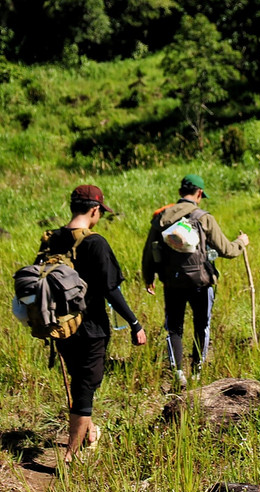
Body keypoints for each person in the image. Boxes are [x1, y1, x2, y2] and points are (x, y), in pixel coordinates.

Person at [41, 184, 146, 464]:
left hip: (60, 326)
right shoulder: (95, 242)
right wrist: (135, 324)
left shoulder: (51, 238)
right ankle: (70, 455)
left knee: (80, 382)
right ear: (95, 209)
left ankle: (89, 432)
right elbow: (111, 289)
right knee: (87, 385)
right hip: (90, 327)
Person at [141, 174, 249, 388]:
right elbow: (226, 250)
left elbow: (149, 251)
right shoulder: (204, 217)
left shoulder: (162, 216)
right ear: (199, 194)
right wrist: (241, 242)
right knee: (202, 325)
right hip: (201, 282)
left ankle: (177, 373)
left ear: (181, 192)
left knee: (174, 327)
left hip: (172, 281)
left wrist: (149, 276)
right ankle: (197, 371)